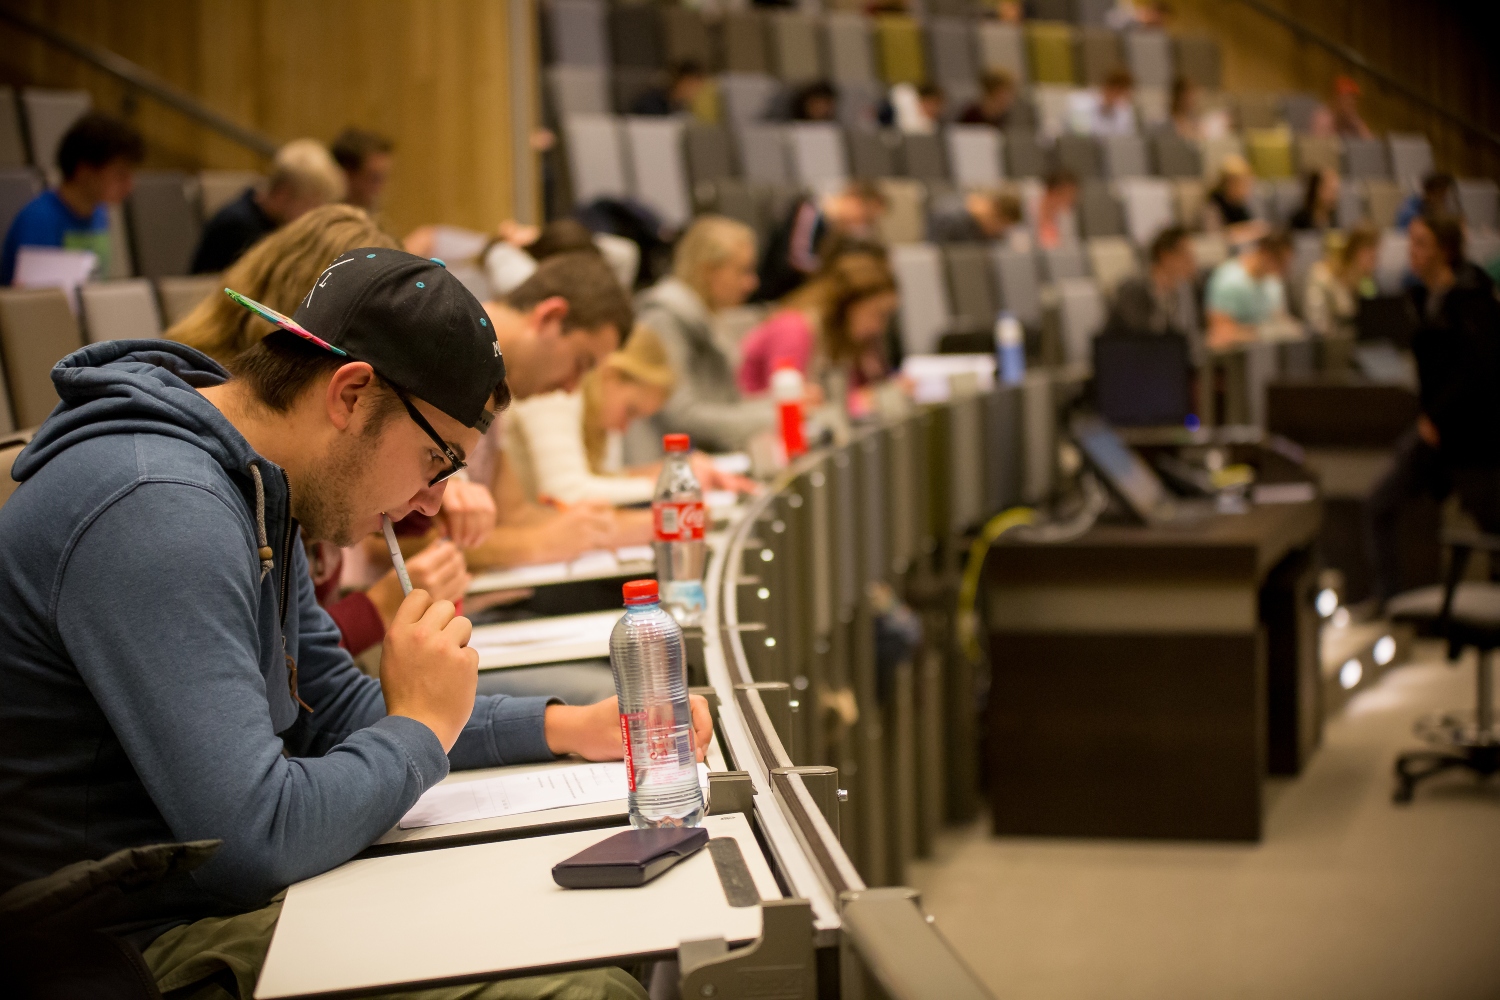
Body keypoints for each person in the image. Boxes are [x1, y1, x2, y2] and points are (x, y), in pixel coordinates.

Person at [0, 248, 709, 1000]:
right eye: (438, 460)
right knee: (585, 992)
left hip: (202, 909)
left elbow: (333, 711)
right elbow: (254, 838)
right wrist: (422, 729)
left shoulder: (251, 482)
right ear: (350, 392)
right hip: (117, 953)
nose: (432, 504)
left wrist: (566, 726)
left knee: (587, 939)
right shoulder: (158, 508)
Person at [165, 204, 492, 657]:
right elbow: (278, 668)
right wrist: (377, 612)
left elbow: (308, 680)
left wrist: (422, 482)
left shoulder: (274, 475)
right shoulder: (190, 495)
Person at [462, 252, 643, 568]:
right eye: (581, 363)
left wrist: (598, 527)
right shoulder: (454, 353)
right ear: (550, 317)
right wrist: (538, 544)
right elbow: (400, 540)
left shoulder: (496, 374)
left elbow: (514, 513)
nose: (572, 388)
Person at [1368, 213, 1500, 607]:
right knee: (1379, 504)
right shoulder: (1424, 299)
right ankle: (1388, 600)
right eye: (1411, 242)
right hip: (1435, 434)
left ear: (1445, 250)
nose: (1412, 252)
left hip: (1473, 440)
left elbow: (1481, 372)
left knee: (1494, 531)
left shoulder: (1474, 301)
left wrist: (1437, 417)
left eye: (1421, 243)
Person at [507, 327, 754, 507]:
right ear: (613, 375)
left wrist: (669, 471)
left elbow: (598, 479)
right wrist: (675, 485)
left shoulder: (595, 407)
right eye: (631, 411)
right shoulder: (559, 390)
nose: (625, 429)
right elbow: (566, 491)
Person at [641, 215, 782, 451]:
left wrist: (781, 405)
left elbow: (727, 405)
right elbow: (681, 415)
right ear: (709, 270)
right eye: (743, 271)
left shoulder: (707, 317)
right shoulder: (663, 319)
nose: (752, 283)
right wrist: (773, 417)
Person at [737, 250, 899, 416]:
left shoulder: (838, 338)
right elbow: (788, 405)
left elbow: (841, 401)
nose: (879, 327)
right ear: (849, 305)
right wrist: (870, 399)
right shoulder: (794, 329)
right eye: (878, 314)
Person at [0, 112, 142, 285]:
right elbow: (33, 303)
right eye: (120, 175)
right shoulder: (38, 220)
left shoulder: (99, 213)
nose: (129, 186)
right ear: (85, 173)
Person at [191, 139, 346, 273]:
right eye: (311, 204)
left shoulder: (272, 221)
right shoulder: (237, 227)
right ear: (282, 194)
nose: (316, 214)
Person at [757, 179, 887, 301]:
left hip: (803, 293)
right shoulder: (810, 210)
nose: (864, 225)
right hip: (780, 294)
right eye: (866, 217)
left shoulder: (835, 227)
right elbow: (797, 259)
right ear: (853, 200)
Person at [1104, 225, 1201, 358]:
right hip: (1126, 363)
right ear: (1165, 256)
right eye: (1186, 255)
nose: (1192, 262)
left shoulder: (1180, 292)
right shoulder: (1132, 290)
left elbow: (1186, 337)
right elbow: (1143, 338)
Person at [1205, 229, 1294, 348]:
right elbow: (1220, 334)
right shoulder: (1227, 280)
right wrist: (1262, 333)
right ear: (1265, 254)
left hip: (1269, 352)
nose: (1285, 270)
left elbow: (1279, 319)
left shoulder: (1274, 282)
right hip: (1238, 356)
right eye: (1281, 262)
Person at [1302, 225, 1378, 339]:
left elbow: (1374, 319)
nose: (1375, 257)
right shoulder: (1322, 276)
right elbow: (1318, 324)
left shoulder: (1366, 281)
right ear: (1353, 250)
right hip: (1331, 345)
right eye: (1369, 250)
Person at [928, 187, 1027, 246]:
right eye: (1002, 226)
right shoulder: (948, 216)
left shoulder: (985, 232)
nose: (1000, 231)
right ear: (995, 211)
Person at [330, 127, 395, 214]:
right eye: (375, 178)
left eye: (383, 178)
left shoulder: (374, 219)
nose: (381, 188)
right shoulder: (324, 224)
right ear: (347, 175)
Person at [629, 61, 708, 117]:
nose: (696, 92)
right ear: (683, 81)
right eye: (694, 86)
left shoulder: (680, 107)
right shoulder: (650, 103)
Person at [1036, 168, 1080, 251]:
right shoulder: (1027, 208)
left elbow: (1070, 248)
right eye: (1068, 194)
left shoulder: (1066, 215)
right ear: (1054, 191)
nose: (1072, 199)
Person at [1089, 67, 1138, 136]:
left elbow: (1128, 136)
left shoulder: (1125, 109)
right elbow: (1087, 133)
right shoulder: (1088, 104)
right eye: (1121, 92)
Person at [1330, 74, 1372, 140]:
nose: (1352, 103)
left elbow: (1371, 145)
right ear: (1338, 99)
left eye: (1354, 100)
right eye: (1347, 99)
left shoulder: (1354, 122)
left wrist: (1358, 123)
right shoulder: (1325, 120)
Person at [1168, 75, 1202, 142]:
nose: (1193, 99)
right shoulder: (1171, 123)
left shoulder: (1192, 121)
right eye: (1189, 95)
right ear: (1179, 97)